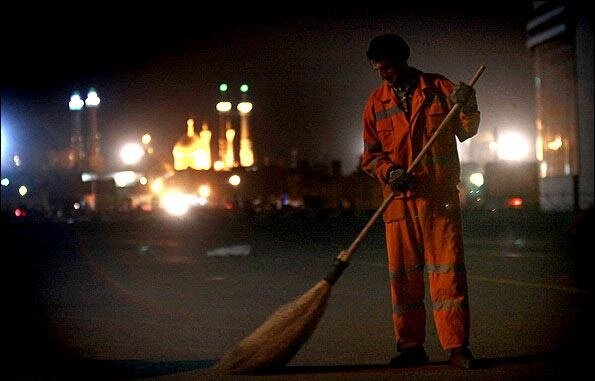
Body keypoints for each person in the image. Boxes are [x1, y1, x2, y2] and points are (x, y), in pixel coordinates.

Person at [361, 34, 480, 369]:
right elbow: (370, 157)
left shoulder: (440, 88)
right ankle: (410, 346)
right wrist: (390, 171)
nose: (382, 74)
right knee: (404, 280)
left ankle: (457, 347)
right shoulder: (375, 103)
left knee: (448, 275)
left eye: (385, 67)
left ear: (402, 60)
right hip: (399, 206)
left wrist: (468, 104)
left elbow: (465, 129)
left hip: (439, 201)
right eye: (377, 69)